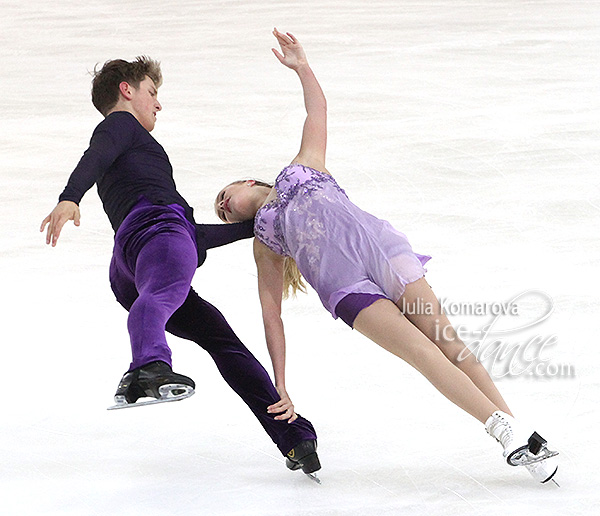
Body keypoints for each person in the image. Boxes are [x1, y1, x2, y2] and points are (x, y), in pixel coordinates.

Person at [215, 29, 559, 484]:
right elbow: (271, 313)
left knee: (450, 344)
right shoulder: (264, 239)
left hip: (386, 255)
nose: (221, 205)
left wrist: (302, 67)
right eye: (219, 211)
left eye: (223, 194)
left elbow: (316, 109)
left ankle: (519, 437)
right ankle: (502, 430)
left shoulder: (303, 166)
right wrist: (280, 381)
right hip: (348, 291)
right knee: (421, 350)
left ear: (247, 181)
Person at [40, 56, 320, 478]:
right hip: (158, 233)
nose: (157, 104)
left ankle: (294, 436)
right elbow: (95, 158)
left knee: (221, 339)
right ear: (126, 90)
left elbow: (193, 236)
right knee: (162, 297)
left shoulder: (135, 154)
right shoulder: (120, 126)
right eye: (152, 93)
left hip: (133, 264)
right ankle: (148, 365)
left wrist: (253, 227)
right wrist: (69, 196)